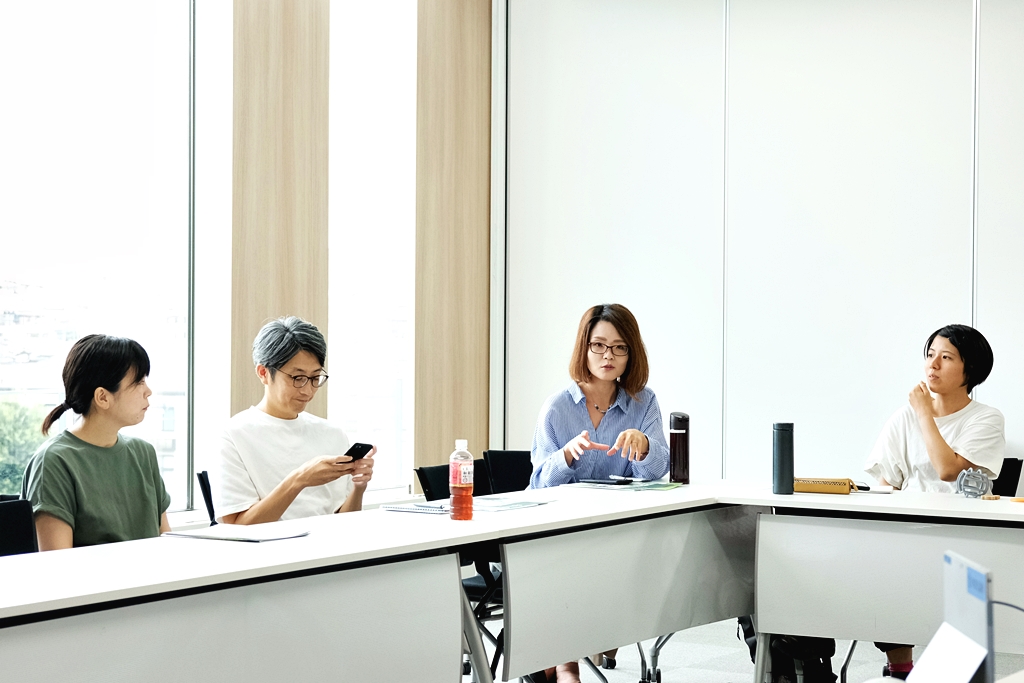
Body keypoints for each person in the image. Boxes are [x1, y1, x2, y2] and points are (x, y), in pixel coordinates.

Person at [528, 303, 670, 683]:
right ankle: (565, 664)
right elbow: (538, 482)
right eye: (599, 345)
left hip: (613, 527)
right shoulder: (557, 407)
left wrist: (644, 446)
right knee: (567, 562)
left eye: (619, 347)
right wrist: (566, 456)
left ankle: (569, 651)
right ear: (585, 348)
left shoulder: (643, 402)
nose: (608, 356)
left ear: (631, 354)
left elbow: (657, 471)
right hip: (559, 529)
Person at [865, 323, 1004, 679]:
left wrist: (925, 413)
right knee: (880, 566)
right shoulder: (903, 418)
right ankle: (901, 668)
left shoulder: (985, 419)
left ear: (970, 370)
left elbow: (948, 470)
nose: (933, 365)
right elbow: (886, 484)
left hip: (962, 536)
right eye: (930, 355)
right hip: (907, 533)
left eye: (946, 357)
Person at [215, 316, 375, 524]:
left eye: (315, 378)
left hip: (329, 544)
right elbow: (237, 526)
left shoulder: (333, 434)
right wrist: (299, 479)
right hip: (270, 545)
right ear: (263, 373)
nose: (307, 390)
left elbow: (344, 523)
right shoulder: (234, 435)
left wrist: (358, 488)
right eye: (297, 378)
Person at [22, 335, 171, 550]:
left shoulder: (144, 453)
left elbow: (167, 544)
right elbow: (56, 563)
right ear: (102, 397)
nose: (148, 391)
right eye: (139, 382)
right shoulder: (54, 462)